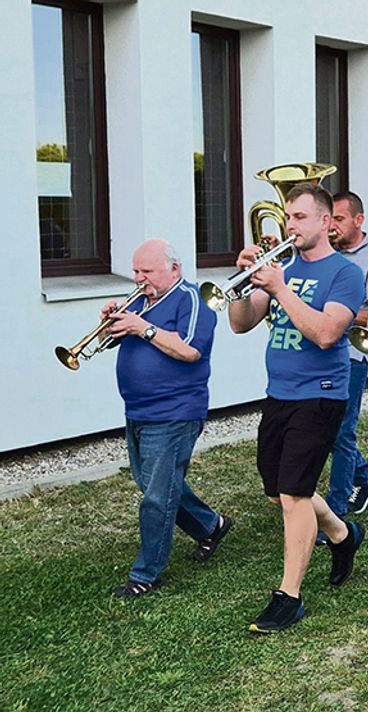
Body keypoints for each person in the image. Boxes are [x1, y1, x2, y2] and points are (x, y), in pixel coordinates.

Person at [227, 182, 367, 633]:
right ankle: (343, 534)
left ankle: (289, 597)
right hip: (280, 394)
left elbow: (327, 333)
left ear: (325, 222)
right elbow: (242, 325)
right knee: (279, 490)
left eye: (301, 217)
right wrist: (242, 286)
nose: (291, 225)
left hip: (321, 393)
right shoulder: (280, 267)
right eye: (289, 217)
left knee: (293, 494)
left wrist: (281, 288)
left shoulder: (344, 273)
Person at [105, 239, 231, 598]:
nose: (138, 278)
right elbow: (129, 341)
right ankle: (211, 525)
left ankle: (146, 573)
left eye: (147, 271)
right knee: (153, 484)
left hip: (175, 412)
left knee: (157, 496)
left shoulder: (191, 299)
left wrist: (141, 328)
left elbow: (191, 350)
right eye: (135, 271)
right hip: (139, 409)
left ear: (174, 269)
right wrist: (112, 326)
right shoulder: (142, 302)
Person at [324, 190, 368, 526]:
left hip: (351, 354)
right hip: (320, 351)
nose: (331, 226)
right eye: (329, 219)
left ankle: (337, 508)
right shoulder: (324, 253)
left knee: (342, 431)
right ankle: (366, 477)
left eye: (338, 219)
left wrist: (334, 311)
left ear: (358, 220)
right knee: (328, 428)